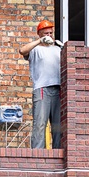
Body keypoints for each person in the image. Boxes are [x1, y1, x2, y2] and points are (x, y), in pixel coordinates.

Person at [19, 19, 62, 149]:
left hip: (58, 89)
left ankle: (58, 152)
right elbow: (22, 50)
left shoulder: (57, 49)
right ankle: (38, 154)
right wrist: (40, 41)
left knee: (58, 125)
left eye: (50, 33)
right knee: (40, 124)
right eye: (45, 33)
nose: (49, 35)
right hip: (42, 89)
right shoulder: (35, 49)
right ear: (39, 34)